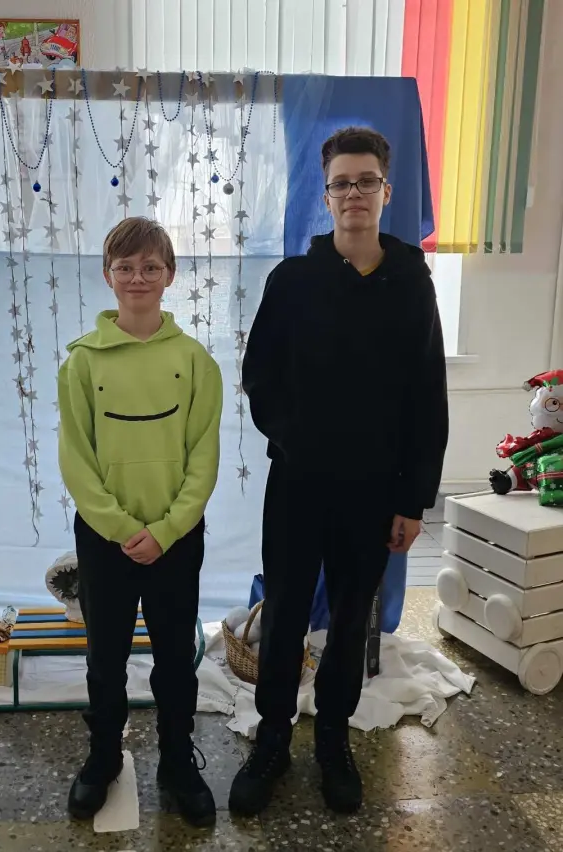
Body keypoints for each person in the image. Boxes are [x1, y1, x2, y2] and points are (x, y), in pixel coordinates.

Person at [229, 127, 449, 816]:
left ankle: (333, 741)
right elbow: (260, 377)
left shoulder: (411, 283)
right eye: (341, 183)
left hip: (374, 492)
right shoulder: (293, 281)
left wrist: (413, 499)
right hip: (298, 482)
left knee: (352, 620)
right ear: (325, 197)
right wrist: (299, 439)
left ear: (387, 191)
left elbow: (427, 397)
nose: (354, 193)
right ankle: (272, 740)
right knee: (286, 614)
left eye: (366, 181)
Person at [58, 217, 224, 828]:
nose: (137, 278)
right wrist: (120, 527)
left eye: (150, 267)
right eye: (125, 267)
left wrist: (168, 528)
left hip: (176, 538)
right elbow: (76, 458)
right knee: (105, 657)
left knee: (175, 658)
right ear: (108, 276)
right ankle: (103, 757)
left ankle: (177, 761)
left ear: (170, 275)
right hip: (106, 540)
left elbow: (203, 457)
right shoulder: (81, 362)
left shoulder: (195, 361)